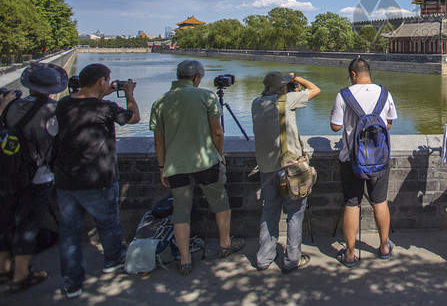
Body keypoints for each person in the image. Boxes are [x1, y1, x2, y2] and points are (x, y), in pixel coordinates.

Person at [53, 63, 140, 299]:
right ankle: (112, 260)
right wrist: (129, 94)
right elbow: (133, 118)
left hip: (66, 180)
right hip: (98, 178)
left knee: (69, 234)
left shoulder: (63, 104)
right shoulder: (105, 107)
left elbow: (85, 101)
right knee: (109, 223)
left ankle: (72, 283)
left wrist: (101, 93)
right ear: (102, 80)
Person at [150, 60, 244, 276]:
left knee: (181, 211)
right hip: (206, 161)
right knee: (220, 202)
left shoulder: (160, 101)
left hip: (176, 165)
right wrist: (219, 155)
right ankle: (224, 244)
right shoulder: (207, 96)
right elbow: (218, 132)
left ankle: (184, 260)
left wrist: (162, 166)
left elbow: (158, 141)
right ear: (197, 78)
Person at [0, 63, 67, 293]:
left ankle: (3, 266)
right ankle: (21, 274)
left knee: (5, 222)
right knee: (28, 225)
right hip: (37, 175)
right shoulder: (53, 109)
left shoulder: (12, 106)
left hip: (7, 172)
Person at [330, 58, 397, 268]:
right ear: (368, 72)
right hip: (379, 159)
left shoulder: (344, 95)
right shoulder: (385, 93)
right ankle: (384, 247)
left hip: (351, 159)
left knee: (352, 204)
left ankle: (350, 254)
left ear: (352, 74)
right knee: (380, 201)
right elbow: (388, 124)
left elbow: (335, 126)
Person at [251, 71, 320, 272]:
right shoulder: (287, 100)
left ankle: (264, 258)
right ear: (281, 87)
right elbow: (315, 89)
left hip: (266, 167)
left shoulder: (256, 103)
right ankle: (292, 259)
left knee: (269, 210)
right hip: (291, 167)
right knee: (295, 214)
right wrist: (296, 78)